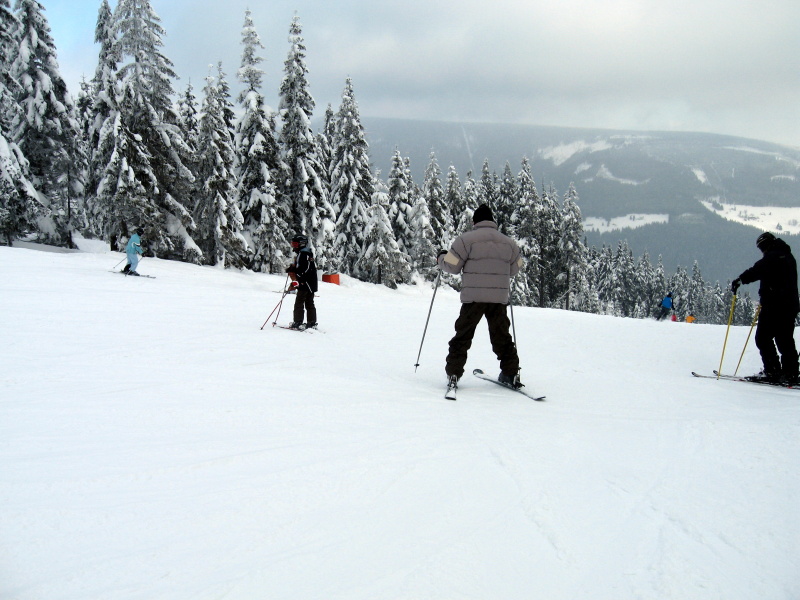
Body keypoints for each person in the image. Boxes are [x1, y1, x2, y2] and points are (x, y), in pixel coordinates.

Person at [437, 204, 524, 389]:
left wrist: (441, 258)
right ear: (492, 221)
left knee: (463, 336)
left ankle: (453, 373)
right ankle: (511, 373)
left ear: (475, 221)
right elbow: (516, 268)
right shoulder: (509, 243)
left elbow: (452, 266)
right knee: (502, 337)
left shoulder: (465, 240)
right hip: (498, 298)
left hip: (473, 298)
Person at [731, 231, 799, 384]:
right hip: (790, 305)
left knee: (762, 338)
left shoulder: (773, 257)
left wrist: (740, 280)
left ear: (766, 245)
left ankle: (773, 371)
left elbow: (757, 270)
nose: (762, 251)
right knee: (784, 339)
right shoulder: (787, 256)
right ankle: (791, 373)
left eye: (762, 248)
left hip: (775, 305)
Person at [286, 234, 318, 330]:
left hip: (306, 282)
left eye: (295, 244)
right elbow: (303, 268)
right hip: (309, 282)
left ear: (301, 244)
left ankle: (298, 322)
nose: (293, 246)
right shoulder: (304, 253)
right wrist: (293, 269)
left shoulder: (304, 254)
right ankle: (311, 322)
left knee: (299, 302)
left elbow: (306, 269)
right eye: (293, 244)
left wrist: (300, 279)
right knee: (309, 302)